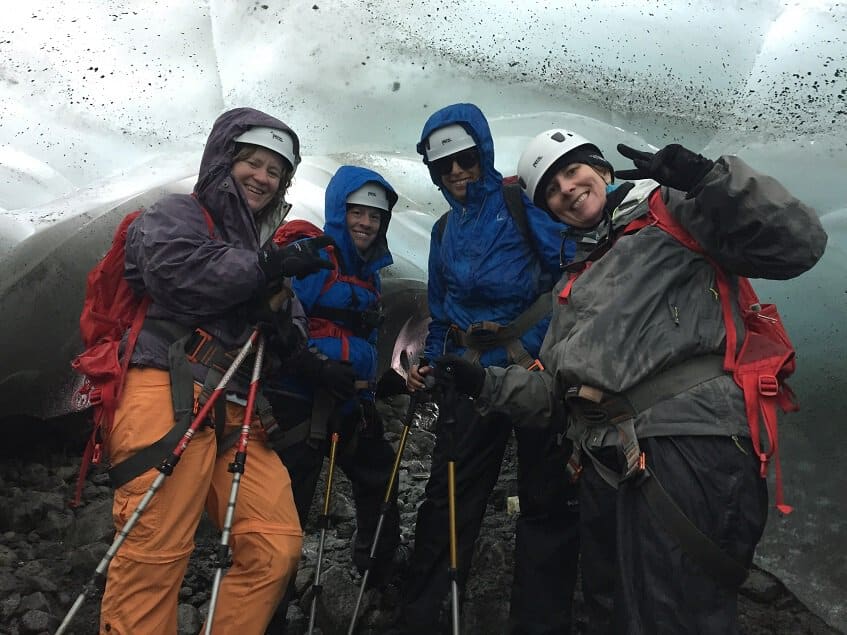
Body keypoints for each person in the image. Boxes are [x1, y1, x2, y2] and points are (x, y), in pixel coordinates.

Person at [434, 128, 828, 634]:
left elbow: (797, 244)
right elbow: (556, 398)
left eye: (573, 171)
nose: (568, 190)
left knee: (674, 610)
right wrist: (484, 384)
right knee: (612, 609)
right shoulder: (573, 283)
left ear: (600, 168)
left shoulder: (674, 212)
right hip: (607, 462)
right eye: (552, 190)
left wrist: (708, 179)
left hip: (687, 443)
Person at [100, 107, 334, 634]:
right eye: (253, 162)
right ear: (224, 161)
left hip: (234, 406)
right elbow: (173, 271)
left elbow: (287, 335)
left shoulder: (262, 248)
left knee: (274, 546)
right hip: (166, 389)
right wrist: (264, 269)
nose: (263, 178)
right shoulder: (176, 215)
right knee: (155, 554)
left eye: (276, 171)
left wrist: (279, 320)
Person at [402, 103, 581, 635]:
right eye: (445, 167)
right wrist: (432, 365)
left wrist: (561, 354)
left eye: (465, 160)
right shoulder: (442, 231)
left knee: (545, 501)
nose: (457, 173)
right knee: (448, 499)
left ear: (482, 154)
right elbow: (441, 308)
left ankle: (539, 622)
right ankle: (420, 618)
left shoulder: (520, 206)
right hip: (469, 376)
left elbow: (568, 275)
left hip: (532, 371)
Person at [263, 165, 405, 633]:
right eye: (357, 212)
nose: (366, 223)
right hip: (298, 400)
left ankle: (377, 574)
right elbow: (280, 323)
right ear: (339, 213)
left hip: (348, 399)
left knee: (379, 477)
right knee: (287, 515)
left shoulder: (371, 275)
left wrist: (377, 379)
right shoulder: (313, 252)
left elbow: (353, 335)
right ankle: (269, 614)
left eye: (374, 216)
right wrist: (313, 366)